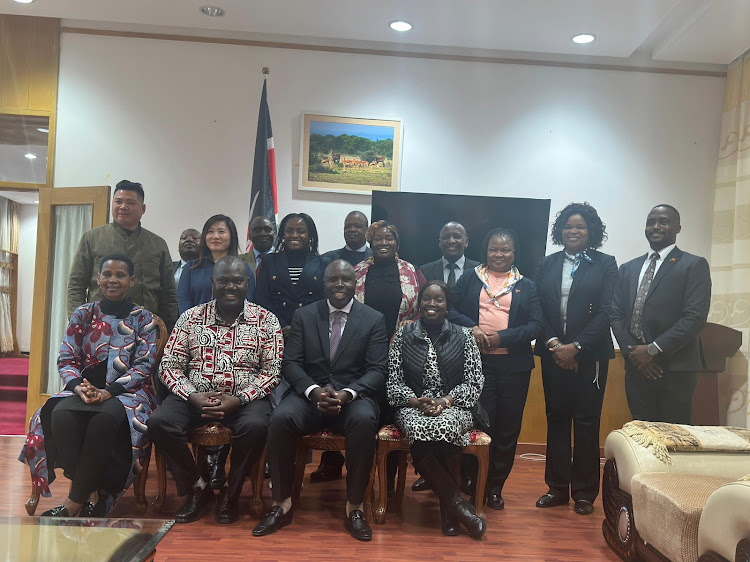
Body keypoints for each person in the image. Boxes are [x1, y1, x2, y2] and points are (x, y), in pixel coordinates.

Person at [253, 260, 388, 541]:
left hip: (352, 397)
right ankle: (281, 504)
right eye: (333, 279)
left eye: (346, 280)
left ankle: (355, 508)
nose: (339, 285)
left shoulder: (373, 318)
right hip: (309, 397)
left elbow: (377, 370)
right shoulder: (304, 316)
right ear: (323, 283)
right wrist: (314, 391)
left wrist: (347, 393)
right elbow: (290, 363)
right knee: (280, 419)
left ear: (355, 284)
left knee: (365, 421)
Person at [148, 256, 283, 525]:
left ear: (247, 283)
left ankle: (230, 495)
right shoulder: (191, 318)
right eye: (223, 280)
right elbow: (169, 366)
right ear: (212, 283)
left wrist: (240, 398)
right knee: (159, 422)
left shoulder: (266, 321)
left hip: (243, 399)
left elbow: (272, 371)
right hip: (194, 397)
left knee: (257, 426)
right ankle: (199, 489)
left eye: (237, 281)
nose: (230, 286)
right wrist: (191, 395)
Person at [19, 254, 157, 517]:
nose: (113, 280)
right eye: (107, 274)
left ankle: (73, 502)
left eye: (120, 275)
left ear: (132, 281)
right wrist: (77, 386)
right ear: (98, 278)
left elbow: (144, 365)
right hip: (83, 388)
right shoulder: (83, 313)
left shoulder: (143, 318)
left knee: (103, 420)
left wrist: (109, 391)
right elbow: (67, 357)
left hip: (127, 392)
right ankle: (89, 492)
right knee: (59, 415)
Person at [449, 227, 543, 510]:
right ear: (485, 251)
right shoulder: (470, 278)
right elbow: (449, 309)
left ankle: (494, 487)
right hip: (475, 364)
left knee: (507, 428)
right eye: (494, 249)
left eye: (505, 250)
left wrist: (503, 337)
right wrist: (473, 328)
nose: (499, 254)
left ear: (514, 254)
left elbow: (536, 325)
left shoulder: (527, 286)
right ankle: (470, 481)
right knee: (476, 423)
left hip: (513, 368)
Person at [533, 203, 617, 515]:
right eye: (569, 226)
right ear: (560, 231)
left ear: (591, 231)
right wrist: (556, 344)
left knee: (585, 421)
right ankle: (556, 488)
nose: (574, 231)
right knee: (556, 418)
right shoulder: (547, 264)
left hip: (590, 356)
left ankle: (583, 493)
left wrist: (576, 346)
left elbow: (608, 311)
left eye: (580, 227)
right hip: (553, 353)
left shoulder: (605, 264)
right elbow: (537, 306)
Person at [387, 281, 486, 539]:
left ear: (448, 305)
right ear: (419, 303)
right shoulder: (404, 335)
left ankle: (448, 511)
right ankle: (456, 508)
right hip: (413, 406)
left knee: (447, 427)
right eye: (426, 298)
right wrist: (414, 401)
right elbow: (393, 383)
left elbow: (474, 383)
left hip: (454, 405)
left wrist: (444, 402)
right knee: (419, 427)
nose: (431, 304)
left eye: (438, 299)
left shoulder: (464, 336)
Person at [610, 204, 711, 424]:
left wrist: (653, 350)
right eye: (650, 222)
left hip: (675, 367)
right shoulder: (628, 268)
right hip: (637, 367)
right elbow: (616, 315)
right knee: (642, 433)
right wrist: (636, 356)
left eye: (663, 221)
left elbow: (694, 317)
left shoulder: (693, 265)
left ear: (678, 228)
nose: (656, 226)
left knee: (673, 436)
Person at [67, 180, 178, 330]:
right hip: (99, 327)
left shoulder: (158, 244)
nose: (123, 207)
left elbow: (168, 293)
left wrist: (168, 330)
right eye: (118, 202)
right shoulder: (92, 238)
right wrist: (78, 323)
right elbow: (76, 284)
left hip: (145, 328)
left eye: (130, 203)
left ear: (143, 208)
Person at [254, 212, 330, 335]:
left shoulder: (323, 263)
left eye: (301, 231)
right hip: (277, 332)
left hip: (312, 332)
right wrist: (281, 326)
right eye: (289, 231)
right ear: (283, 234)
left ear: (310, 235)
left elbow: (324, 300)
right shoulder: (269, 261)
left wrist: (302, 327)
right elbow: (262, 299)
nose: (294, 235)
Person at [354, 220, 425, 340]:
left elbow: (427, 303)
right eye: (378, 239)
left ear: (397, 244)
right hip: (363, 340)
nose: (383, 243)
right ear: (371, 244)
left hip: (404, 341)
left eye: (389, 238)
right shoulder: (357, 272)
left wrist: (413, 321)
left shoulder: (413, 271)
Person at [177, 214, 254, 315]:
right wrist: (191, 323)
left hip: (233, 326)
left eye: (221, 231)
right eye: (210, 232)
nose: (215, 236)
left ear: (232, 236)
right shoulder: (191, 267)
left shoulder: (244, 268)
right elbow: (183, 300)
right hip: (196, 326)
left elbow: (248, 303)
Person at [419, 222, 480, 287]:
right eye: (445, 237)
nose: (451, 241)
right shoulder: (425, 271)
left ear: (466, 242)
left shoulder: (479, 270)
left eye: (457, 237)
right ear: (440, 243)